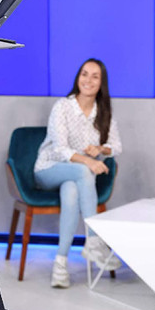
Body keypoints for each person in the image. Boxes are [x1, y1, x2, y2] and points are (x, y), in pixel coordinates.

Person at [34, 58, 123, 289]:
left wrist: (100, 149)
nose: (88, 80)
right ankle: (93, 241)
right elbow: (59, 149)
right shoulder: (63, 106)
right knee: (84, 172)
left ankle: (60, 265)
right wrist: (88, 161)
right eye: (84, 74)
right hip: (48, 169)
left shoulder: (104, 112)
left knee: (72, 189)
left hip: (75, 176)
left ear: (101, 83)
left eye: (95, 76)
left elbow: (117, 146)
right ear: (78, 77)